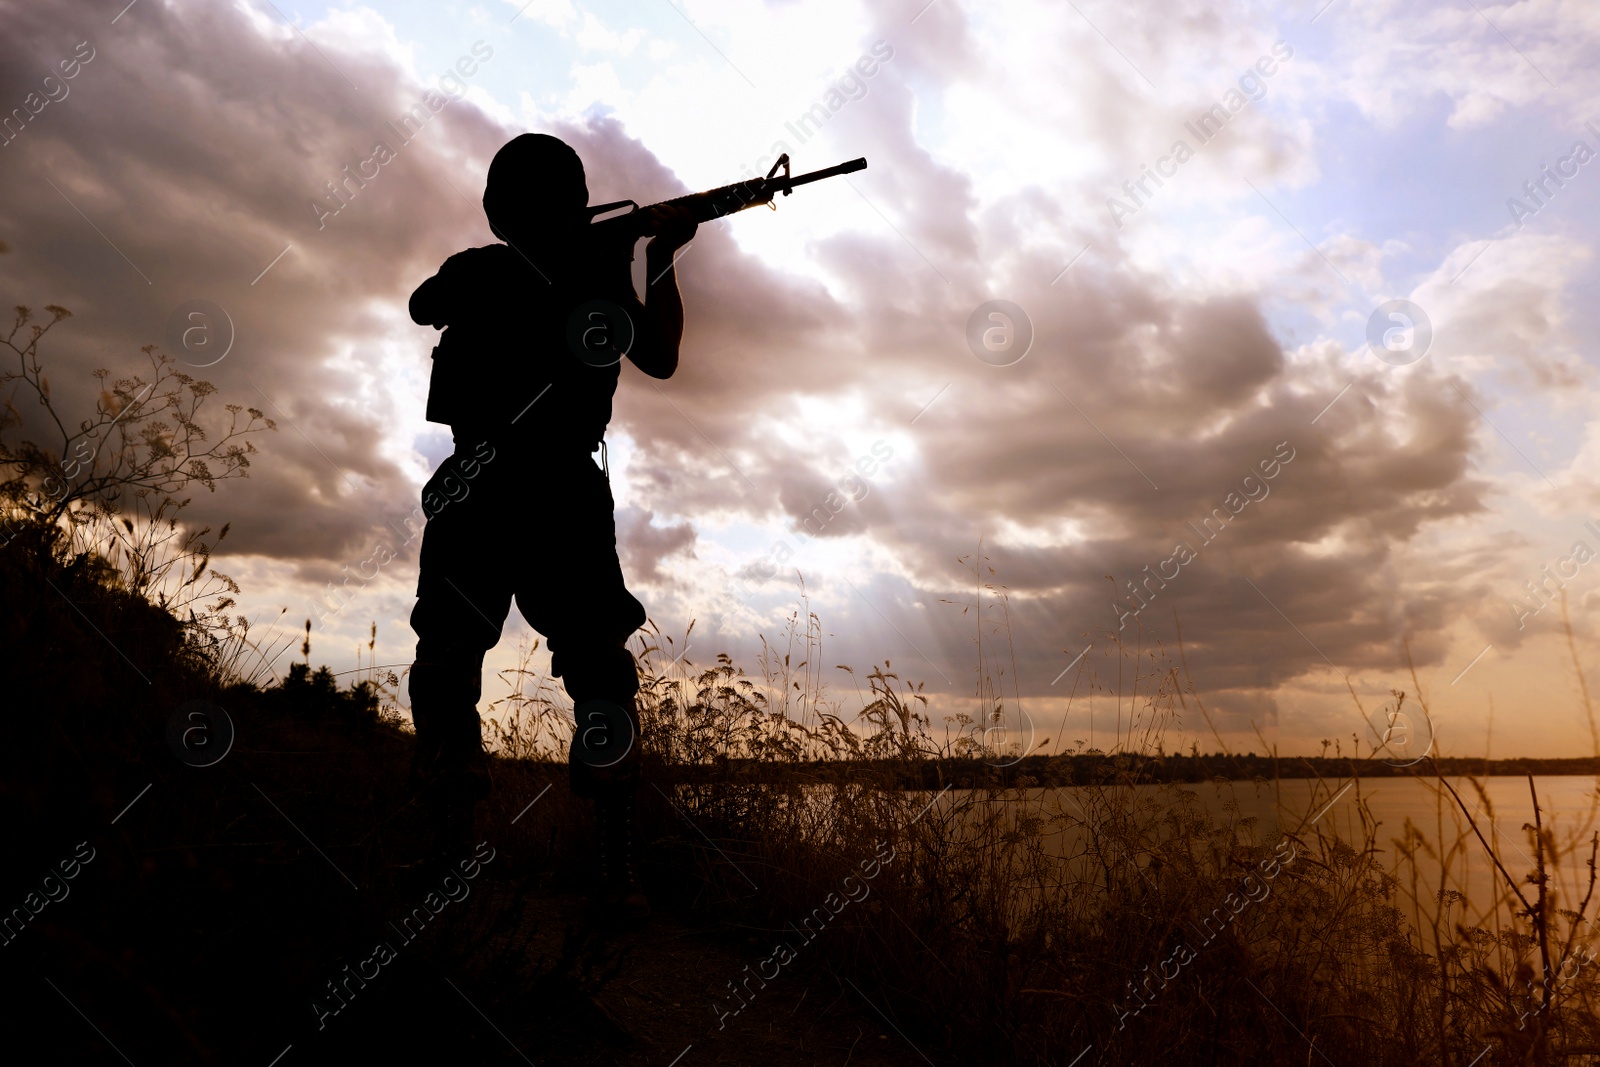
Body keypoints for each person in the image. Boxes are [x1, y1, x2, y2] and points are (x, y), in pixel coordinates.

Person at [405, 132, 696, 922]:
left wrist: (615, 255)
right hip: (560, 489)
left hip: (483, 482)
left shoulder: (489, 269)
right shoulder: (540, 271)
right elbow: (662, 356)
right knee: (595, 673)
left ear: (499, 208)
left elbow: (425, 301)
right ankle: (612, 873)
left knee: (450, 661)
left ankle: (450, 861)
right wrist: (650, 258)